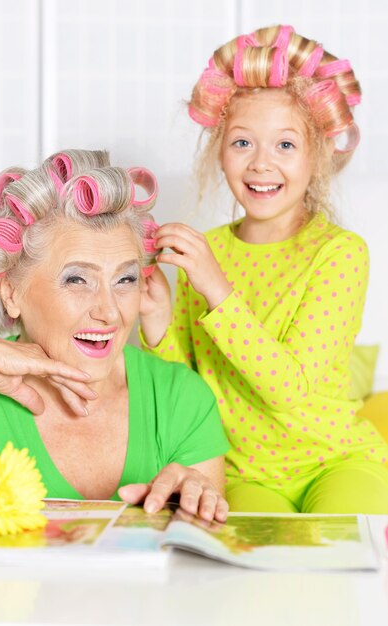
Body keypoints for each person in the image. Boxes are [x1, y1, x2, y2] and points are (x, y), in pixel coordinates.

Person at [139, 24, 388, 513]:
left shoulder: (340, 253)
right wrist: (156, 322)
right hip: (243, 473)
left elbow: (290, 390)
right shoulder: (204, 253)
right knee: (257, 572)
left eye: (286, 145)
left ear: (318, 155)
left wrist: (216, 288)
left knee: (347, 557)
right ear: (219, 150)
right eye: (242, 143)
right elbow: (185, 391)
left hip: (336, 461)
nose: (260, 164)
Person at [0, 149, 230, 522]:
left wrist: (198, 507)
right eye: (77, 279)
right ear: (12, 292)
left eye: (124, 280)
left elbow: (208, 571)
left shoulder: (180, 399)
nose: (109, 311)